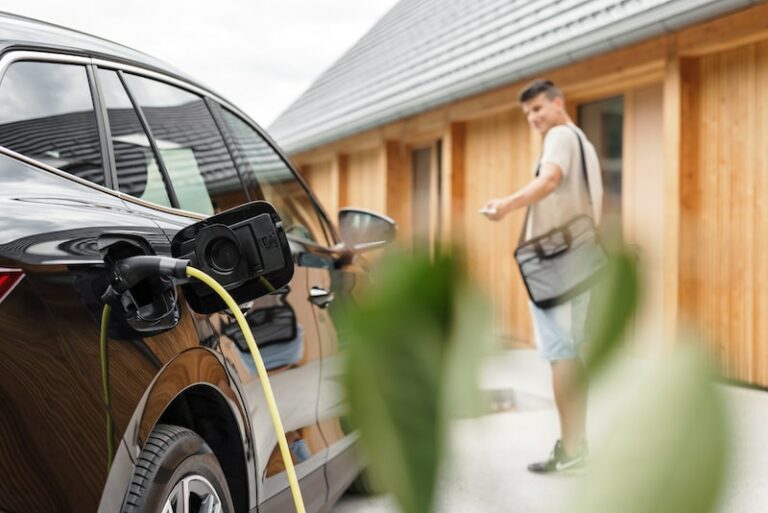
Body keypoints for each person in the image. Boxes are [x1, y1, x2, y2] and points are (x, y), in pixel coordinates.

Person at [481, 79, 603, 473]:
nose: (533, 118)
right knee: (570, 352)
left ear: (558, 103)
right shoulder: (583, 140)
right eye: (527, 113)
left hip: (558, 269)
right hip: (580, 264)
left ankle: (572, 449)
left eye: (538, 108)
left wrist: (505, 204)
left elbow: (549, 179)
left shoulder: (560, 136)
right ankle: (576, 443)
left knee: (561, 354)